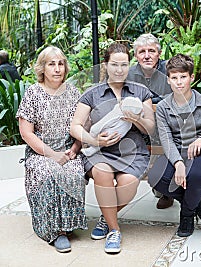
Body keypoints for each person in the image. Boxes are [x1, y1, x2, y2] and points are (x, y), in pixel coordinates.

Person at [70, 42, 155, 254]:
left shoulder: (141, 91)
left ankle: (105, 218)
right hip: (100, 152)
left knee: (127, 186)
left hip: (131, 153)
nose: (119, 70)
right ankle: (114, 230)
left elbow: (150, 128)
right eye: (114, 64)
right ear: (105, 65)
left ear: (129, 65)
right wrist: (95, 140)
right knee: (102, 174)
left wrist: (136, 119)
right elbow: (75, 126)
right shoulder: (92, 93)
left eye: (124, 65)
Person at [148, 53, 201, 237]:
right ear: (168, 80)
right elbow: (166, 139)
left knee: (196, 175)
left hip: (200, 152)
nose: (179, 82)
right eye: (174, 78)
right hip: (176, 150)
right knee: (155, 177)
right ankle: (197, 202)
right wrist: (177, 163)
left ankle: (187, 214)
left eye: (183, 77)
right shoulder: (162, 107)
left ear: (191, 78)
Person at [16, 46, 87, 253]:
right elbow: (26, 133)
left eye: (60, 64)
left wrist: (75, 148)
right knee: (49, 172)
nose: (57, 69)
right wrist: (52, 155)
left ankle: (69, 223)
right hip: (41, 152)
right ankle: (55, 231)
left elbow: (82, 126)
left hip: (68, 150)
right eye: (51, 64)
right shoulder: (33, 93)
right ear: (42, 68)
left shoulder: (73, 92)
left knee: (73, 171)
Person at [127, 33, 174, 209]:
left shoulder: (170, 69)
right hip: (139, 128)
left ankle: (165, 189)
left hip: (166, 127)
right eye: (142, 52)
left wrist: (147, 102)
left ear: (159, 54)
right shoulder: (129, 73)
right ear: (136, 56)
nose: (147, 55)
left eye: (151, 51)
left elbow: (175, 99)